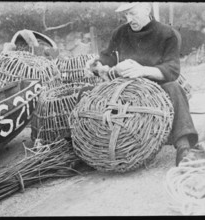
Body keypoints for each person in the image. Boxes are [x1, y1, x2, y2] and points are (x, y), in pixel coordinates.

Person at [80, 2, 198, 166]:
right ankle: (86, 149)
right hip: (126, 89)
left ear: (147, 9)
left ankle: (184, 147)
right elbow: (107, 58)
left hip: (156, 88)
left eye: (133, 13)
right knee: (86, 93)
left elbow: (172, 70)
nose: (129, 19)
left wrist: (143, 70)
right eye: (126, 14)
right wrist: (96, 65)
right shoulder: (120, 33)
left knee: (174, 88)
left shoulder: (167, 34)